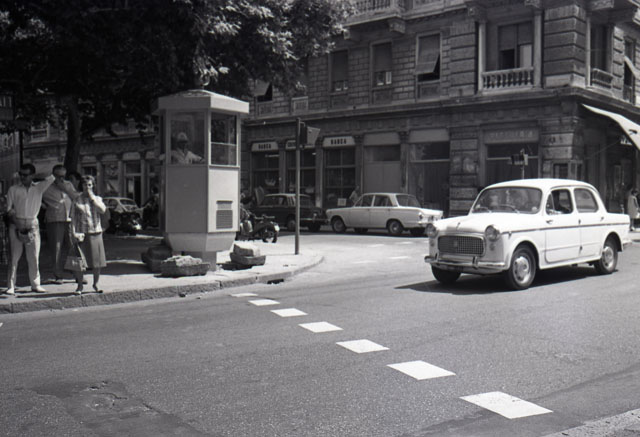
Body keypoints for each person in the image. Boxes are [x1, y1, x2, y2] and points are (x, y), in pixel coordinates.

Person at [4, 164, 55, 295]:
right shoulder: (13, 189)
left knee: (33, 256)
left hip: (32, 223)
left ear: (32, 175)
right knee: (14, 257)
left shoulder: (39, 187)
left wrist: (37, 176)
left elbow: (51, 177)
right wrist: (17, 223)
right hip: (17, 222)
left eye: (26, 175)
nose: (22, 177)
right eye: (20, 174)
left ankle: (36, 284)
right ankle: (11, 286)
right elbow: (8, 209)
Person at [42, 165, 80, 283]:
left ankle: (77, 273)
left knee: (72, 246)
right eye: (58, 176)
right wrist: (44, 206)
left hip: (69, 218)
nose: (61, 179)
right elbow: (36, 197)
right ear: (53, 175)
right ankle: (58, 275)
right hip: (54, 219)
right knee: (56, 248)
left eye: (63, 176)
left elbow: (76, 197)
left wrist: (65, 188)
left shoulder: (68, 184)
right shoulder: (46, 185)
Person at [69, 175, 107, 294]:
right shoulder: (76, 199)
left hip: (95, 233)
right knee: (79, 262)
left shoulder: (98, 199)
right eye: (85, 185)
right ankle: (80, 286)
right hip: (82, 234)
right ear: (82, 186)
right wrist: (73, 233)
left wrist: (92, 199)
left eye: (90, 185)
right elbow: (72, 218)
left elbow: (102, 210)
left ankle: (96, 284)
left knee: (97, 262)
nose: (87, 187)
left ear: (93, 186)